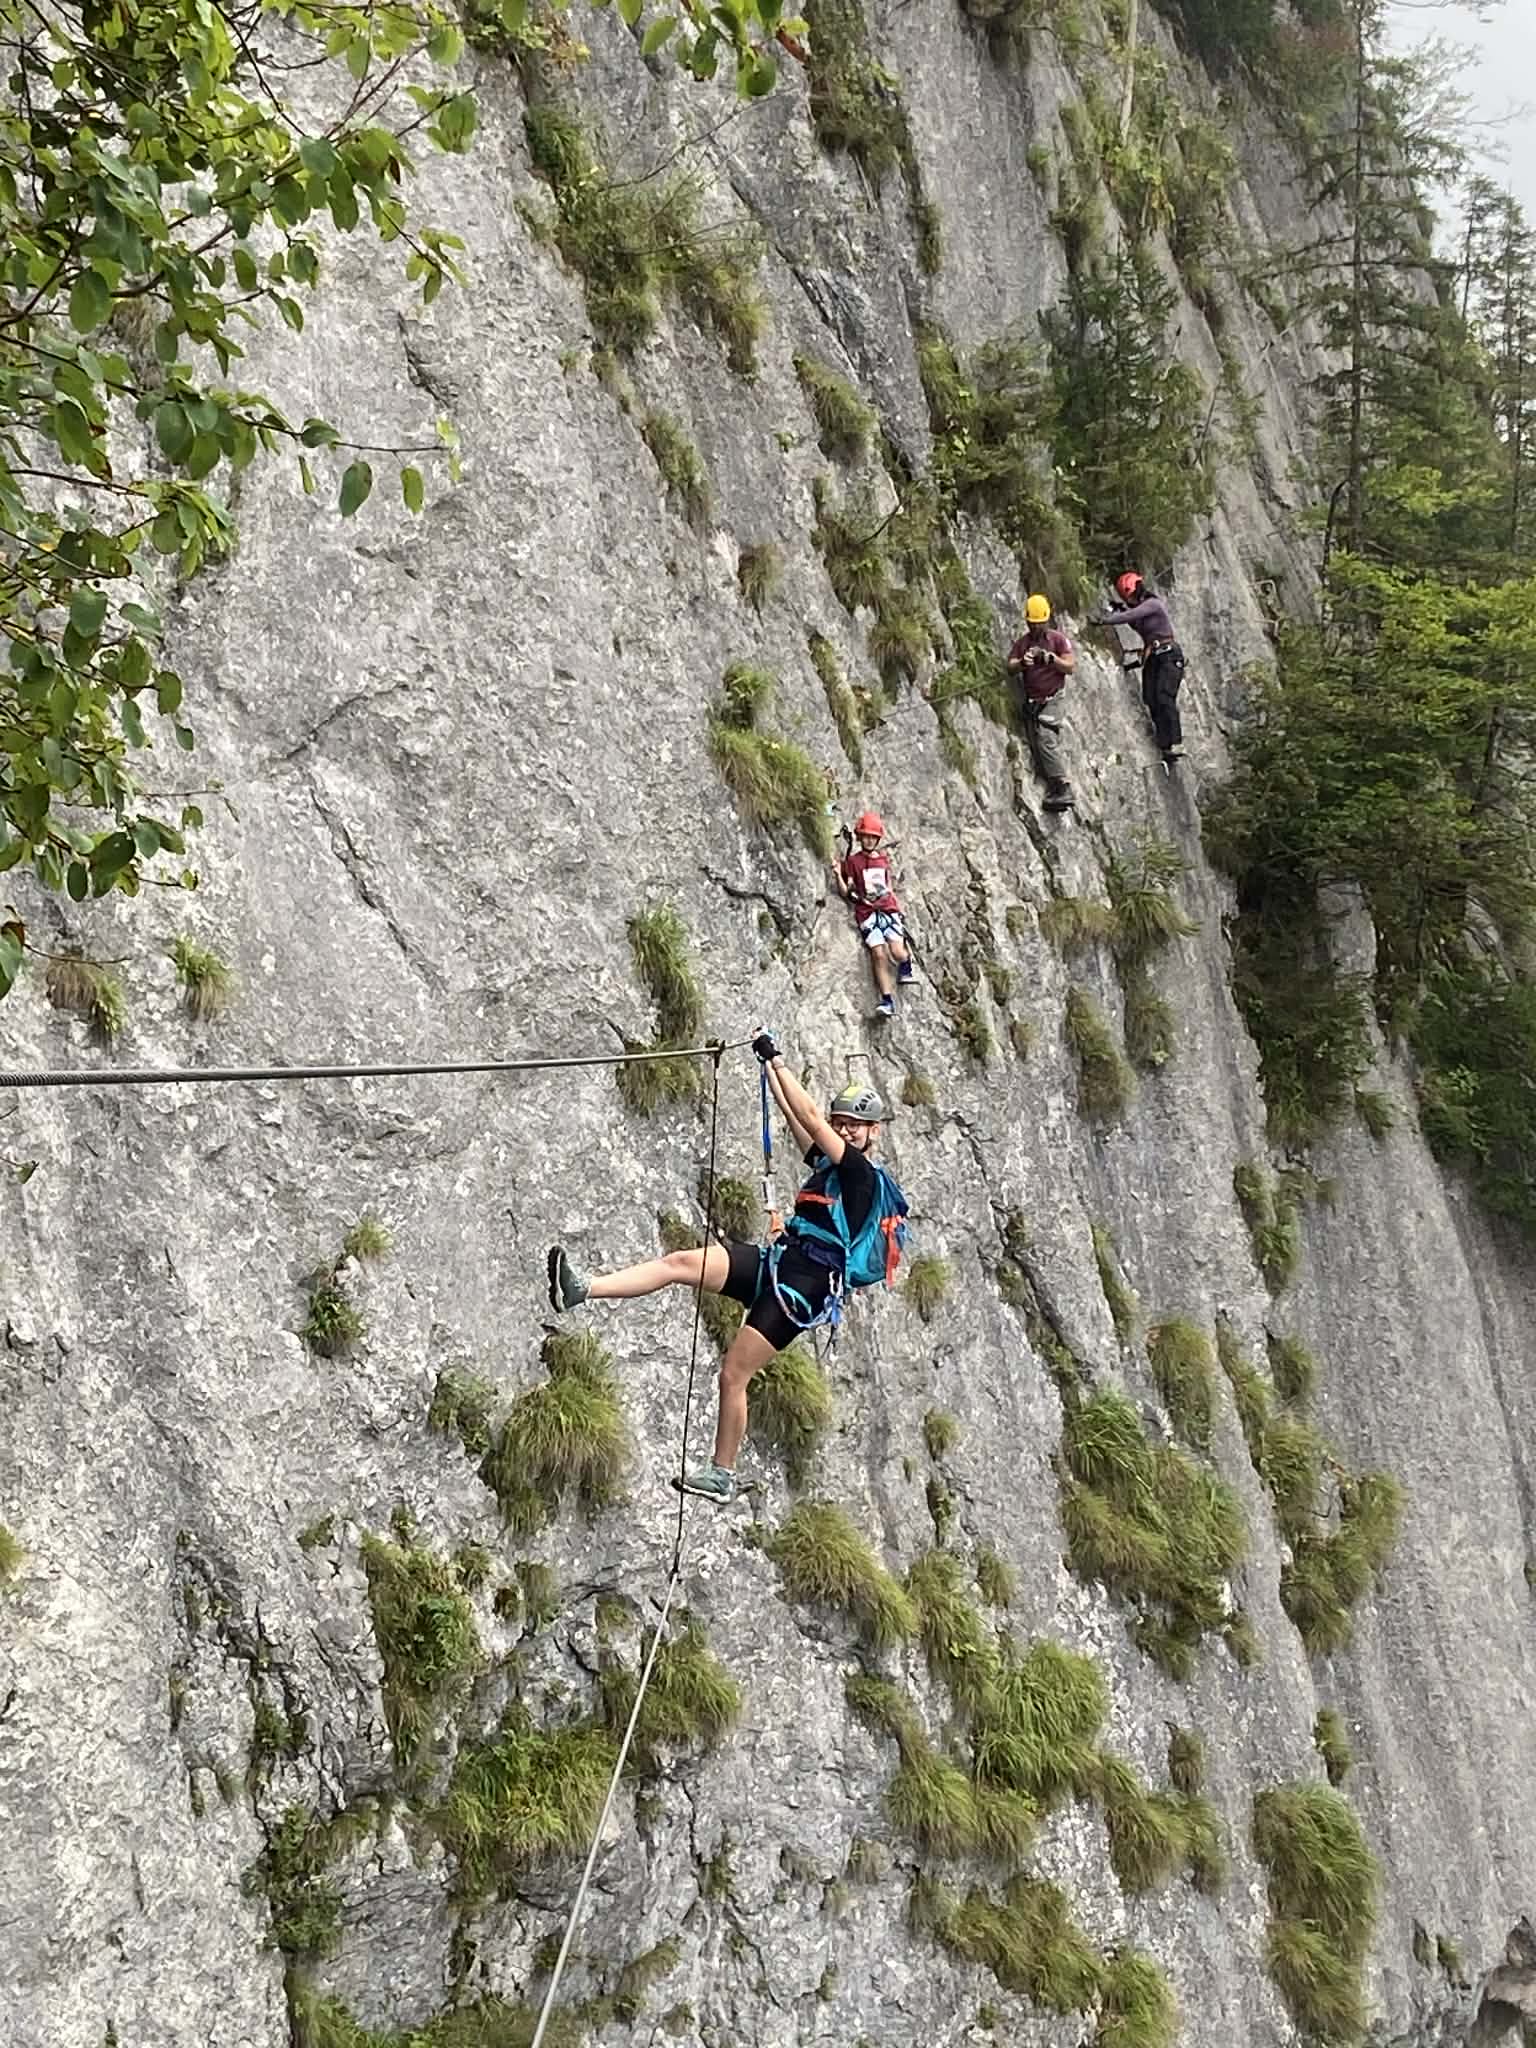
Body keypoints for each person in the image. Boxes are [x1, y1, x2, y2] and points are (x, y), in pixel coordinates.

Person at [546, 1039, 909, 1504]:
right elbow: (800, 1121)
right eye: (843, 1123)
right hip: (779, 1262)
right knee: (681, 1263)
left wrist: (779, 1060)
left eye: (856, 1125)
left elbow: (813, 1120)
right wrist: (767, 1068)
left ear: (873, 1132)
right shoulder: (827, 1166)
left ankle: (722, 1474)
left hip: (804, 1288)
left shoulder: (860, 1174)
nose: (846, 1130)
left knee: (732, 1375)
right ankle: (583, 1289)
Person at [834, 810, 915, 1020]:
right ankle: (887, 1000)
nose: (868, 840)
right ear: (860, 837)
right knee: (878, 954)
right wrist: (837, 875)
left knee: (897, 952)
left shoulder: (883, 861)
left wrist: (896, 908)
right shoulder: (853, 862)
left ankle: (906, 963)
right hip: (867, 912)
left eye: (872, 837)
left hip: (887, 910)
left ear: (877, 839)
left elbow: (888, 887)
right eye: (865, 836)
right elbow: (847, 891)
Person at [1102, 572, 1186, 763]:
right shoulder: (1140, 613)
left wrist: (1105, 620)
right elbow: (1130, 617)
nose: (1128, 601)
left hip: (1169, 655)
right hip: (1154, 657)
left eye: (1129, 597)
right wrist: (1116, 609)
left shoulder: (1152, 605)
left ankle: (1176, 742)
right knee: (1150, 698)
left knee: (1164, 696)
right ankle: (1165, 745)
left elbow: (1130, 615)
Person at [1006, 595, 1076, 813]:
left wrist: (1050, 659)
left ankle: (1062, 786)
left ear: (1046, 620)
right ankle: (1053, 786)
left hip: (1053, 697)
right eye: (1032, 623)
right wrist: (1022, 663)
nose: (1036, 627)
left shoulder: (1057, 640)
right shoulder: (1023, 643)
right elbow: (1010, 666)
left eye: (1039, 623)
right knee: (1036, 743)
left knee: (1046, 737)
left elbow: (1070, 666)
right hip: (1034, 701)